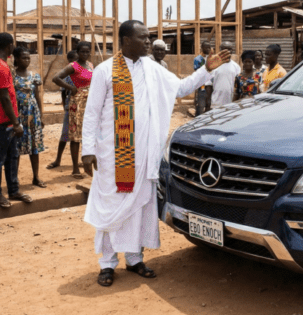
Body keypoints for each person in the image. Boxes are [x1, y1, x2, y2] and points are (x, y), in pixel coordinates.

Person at [82, 20, 230, 287]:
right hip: (114, 155)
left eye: (149, 37)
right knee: (112, 207)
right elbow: (91, 112)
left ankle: (134, 258)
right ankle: (107, 263)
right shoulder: (105, 71)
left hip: (146, 154)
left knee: (139, 206)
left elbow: (181, 88)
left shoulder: (152, 69)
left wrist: (206, 69)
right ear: (126, 40)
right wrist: (87, 149)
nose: (149, 42)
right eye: (143, 38)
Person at [0, 33, 33, 208]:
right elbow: (4, 97)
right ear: (9, 46)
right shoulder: (2, 67)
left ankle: (13, 190)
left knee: (12, 156)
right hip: (3, 120)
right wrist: (16, 123)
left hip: (3, 118)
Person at [52, 41, 94, 179]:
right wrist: (71, 88)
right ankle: (75, 169)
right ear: (78, 52)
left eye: (87, 51)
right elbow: (56, 78)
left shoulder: (90, 65)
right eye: (82, 51)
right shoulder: (73, 66)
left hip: (89, 103)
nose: (85, 54)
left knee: (87, 134)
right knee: (75, 136)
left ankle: (86, 163)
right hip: (77, 103)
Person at [13, 46, 46, 188]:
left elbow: (37, 96)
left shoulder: (34, 76)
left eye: (28, 58)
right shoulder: (12, 76)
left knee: (34, 147)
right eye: (23, 58)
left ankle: (36, 177)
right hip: (19, 114)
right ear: (16, 59)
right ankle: (14, 180)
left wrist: (41, 116)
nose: (27, 60)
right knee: (16, 147)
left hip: (33, 114)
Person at [47, 50, 78, 170]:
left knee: (80, 136)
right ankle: (58, 159)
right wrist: (65, 106)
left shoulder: (83, 72)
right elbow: (63, 93)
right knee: (65, 134)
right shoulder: (67, 75)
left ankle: (80, 160)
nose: (75, 63)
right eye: (73, 61)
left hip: (82, 107)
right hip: (70, 107)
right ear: (69, 61)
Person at [208, 41, 240, 109]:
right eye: (224, 49)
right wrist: (208, 104)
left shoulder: (236, 67)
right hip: (216, 104)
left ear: (232, 51)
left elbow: (238, 86)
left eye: (229, 49)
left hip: (231, 105)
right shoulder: (214, 66)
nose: (227, 51)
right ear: (220, 50)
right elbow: (209, 85)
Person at [193, 40, 213, 116]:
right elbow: (197, 72)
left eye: (209, 47)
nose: (208, 49)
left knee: (209, 103)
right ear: (202, 48)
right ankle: (198, 119)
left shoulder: (211, 59)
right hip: (202, 85)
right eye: (206, 47)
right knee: (201, 105)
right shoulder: (197, 59)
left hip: (210, 85)